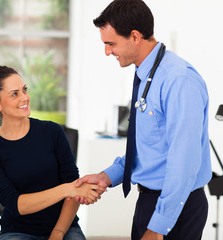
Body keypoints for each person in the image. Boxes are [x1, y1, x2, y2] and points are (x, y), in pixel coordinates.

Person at [75, 1, 212, 240]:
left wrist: (158, 226)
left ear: (135, 36)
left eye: (111, 43)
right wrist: (107, 177)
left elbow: (184, 162)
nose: (107, 51)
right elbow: (150, 148)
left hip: (176, 207)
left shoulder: (178, 80)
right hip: (150, 200)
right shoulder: (147, 75)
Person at [0, 66, 102, 240]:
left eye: (24, 90)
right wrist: (66, 189)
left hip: (64, 226)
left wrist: (58, 232)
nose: (25, 97)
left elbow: (75, 188)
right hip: (18, 230)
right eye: (14, 94)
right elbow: (15, 204)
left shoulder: (52, 132)